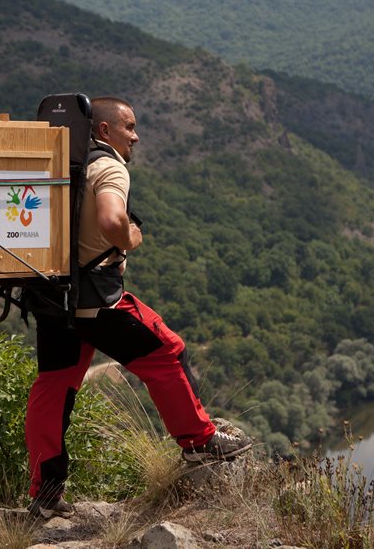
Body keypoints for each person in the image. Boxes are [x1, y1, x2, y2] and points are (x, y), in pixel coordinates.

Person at [24, 96, 252, 519]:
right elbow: (112, 221)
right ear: (104, 130)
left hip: (53, 300)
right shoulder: (108, 167)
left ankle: (46, 494)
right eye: (129, 126)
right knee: (167, 350)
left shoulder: (59, 164)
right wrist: (130, 237)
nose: (136, 135)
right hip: (96, 302)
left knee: (54, 387)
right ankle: (199, 443)